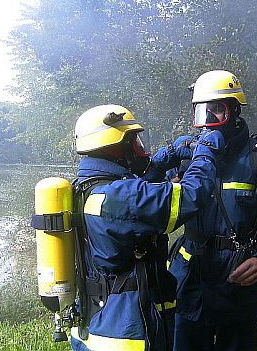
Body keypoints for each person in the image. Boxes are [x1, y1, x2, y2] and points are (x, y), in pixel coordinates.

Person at [69, 104, 225, 351]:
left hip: (97, 324)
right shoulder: (120, 197)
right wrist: (206, 150)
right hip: (125, 334)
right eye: (133, 141)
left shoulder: (89, 187)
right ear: (114, 146)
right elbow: (191, 195)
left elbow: (134, 201)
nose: (139, 148)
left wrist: (160, 162)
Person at [167, 70, 257, 351]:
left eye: (216, 112)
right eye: (201, 113)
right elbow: (153, 207)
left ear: (235, 110)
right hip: (192, 279)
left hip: (239, 281)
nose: (208, 123)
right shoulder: (184, 156)